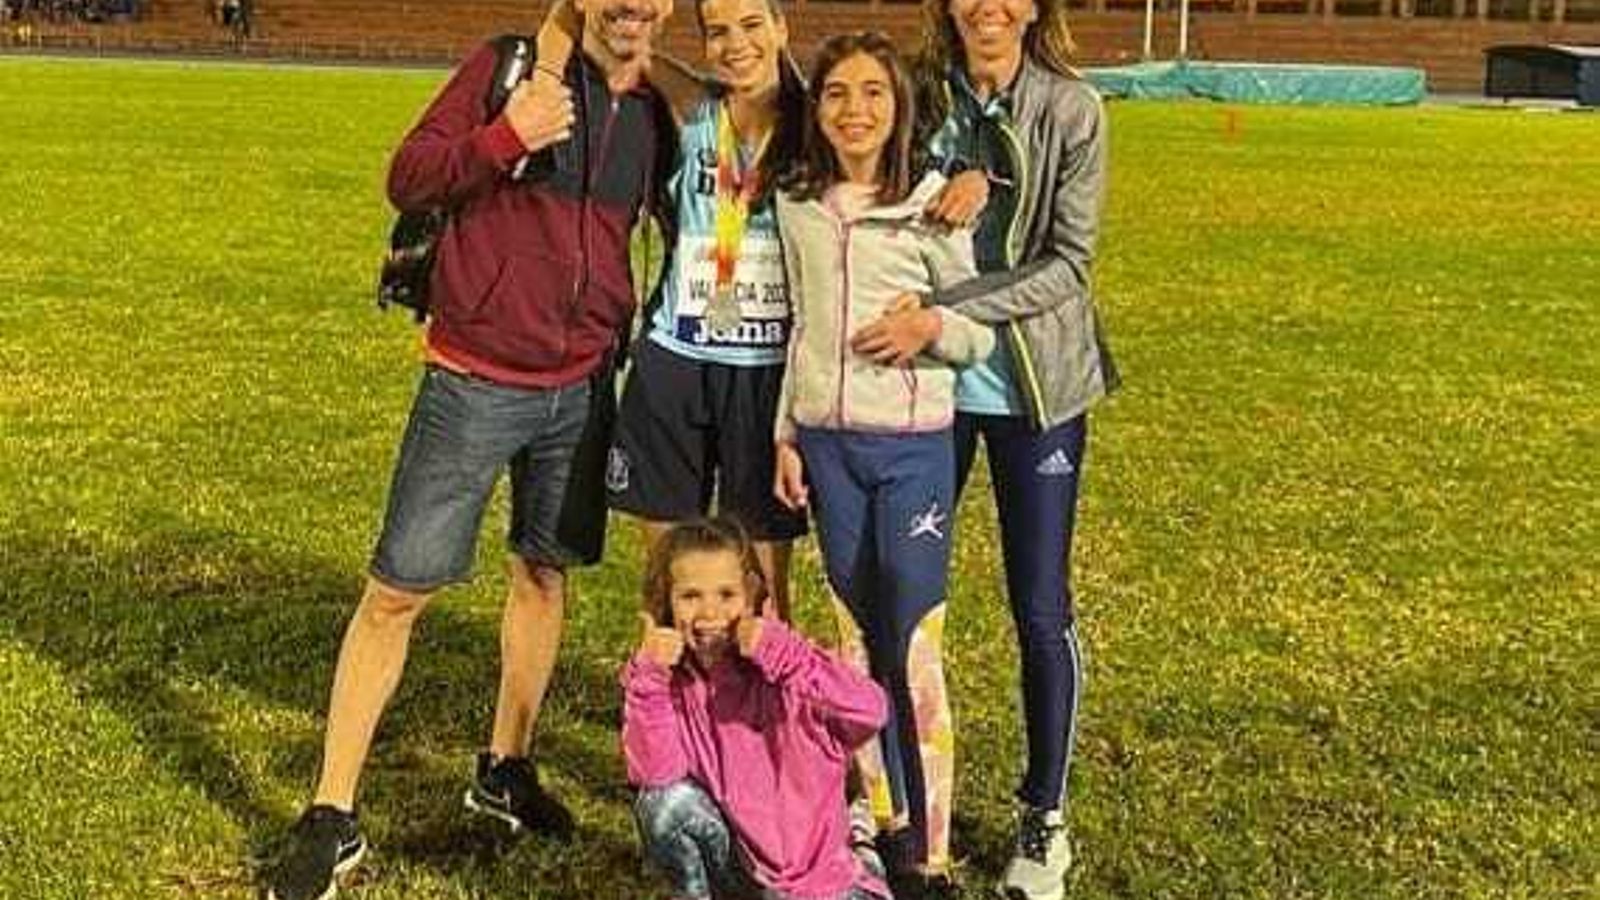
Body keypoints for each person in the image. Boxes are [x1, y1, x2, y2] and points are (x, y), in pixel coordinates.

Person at [261, 0, 675, 897]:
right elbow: (408, 176)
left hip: (582, 387)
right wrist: (504, 136)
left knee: (542, 574)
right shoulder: (505, 66)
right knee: (397, 591)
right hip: (474, 379)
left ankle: (505, 768)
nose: (635, 4)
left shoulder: (652, 114)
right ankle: (332, 813)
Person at [847, 0, 1119, 896]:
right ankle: (880, 795)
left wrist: (950, 307)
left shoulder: (1072, 109)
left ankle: (1045, 819)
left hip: (1035, 394)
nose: (987, 7)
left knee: (1038, 606)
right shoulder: (922, 93)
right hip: (930, 391)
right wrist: (947, 175)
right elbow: (866, 169)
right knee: (896, 592)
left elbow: (1068, 264)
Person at [771, 31, 994, 900]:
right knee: (855, 647)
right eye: (836, 95)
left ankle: (932, 857)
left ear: (899, 109)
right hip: (828, 448)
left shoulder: (934, 206)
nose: (855, 111)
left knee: (913, 646)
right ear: (817, 109)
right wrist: (788, 433)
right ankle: (886, 828)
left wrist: (929, 328)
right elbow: (800, 325)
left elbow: (978, 331)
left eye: (873, 93)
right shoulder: (799, 207)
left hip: (911, 456)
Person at [624, 518, 891, 900]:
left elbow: (871, 710)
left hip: (823, 883)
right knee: (664, 806)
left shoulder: (790, 674)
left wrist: (786, 655)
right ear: (665, 601)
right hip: (745, 875)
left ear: (751, 596)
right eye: (690, 596)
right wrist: (649, 680)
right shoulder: (672, 684)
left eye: (726, 594)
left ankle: (863, 856)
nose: (709, 612)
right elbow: (656, 775)